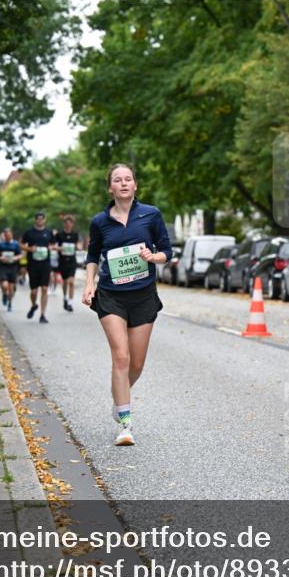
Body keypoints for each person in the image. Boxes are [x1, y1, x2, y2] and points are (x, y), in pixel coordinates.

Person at [82, 163, 171, 446]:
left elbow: (166, 251)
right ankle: (125, 423)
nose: (123, 183)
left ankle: (118, 398)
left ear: (135, 186)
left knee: (136, 362)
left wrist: (153, 257)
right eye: (117, 180)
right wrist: (88, 284)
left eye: (128, 179)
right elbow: (93, 254)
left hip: (143, 295)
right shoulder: (100, 221)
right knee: (121, 358)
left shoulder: (151, 215)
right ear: (110, 187)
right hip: (111, 296)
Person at [21, 212, 55, 323]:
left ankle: (42, 315)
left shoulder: (49, 232)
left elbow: (53, 244)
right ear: (35, 220)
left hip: (45, 264)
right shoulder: (29, 232)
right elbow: (21, 244)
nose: (40, 220)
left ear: (44, 220)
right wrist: (30, 249)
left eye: (42, 218)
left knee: (44, 289)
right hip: (33, 264)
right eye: (38, 219)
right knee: (34, 291)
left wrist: (51, 247)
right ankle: (33, 305)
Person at [55, 214, 81, 312]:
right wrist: (60, 248)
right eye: (67, 223)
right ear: (64, 224)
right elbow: (54, 246)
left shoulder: (75, 234)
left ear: (72, 225)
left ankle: (70, 303)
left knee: (71, 282)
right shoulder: (59, 235)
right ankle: (65, 297)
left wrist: (78, 246)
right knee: (65, 282)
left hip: (72, 261)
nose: (68, 225)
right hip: (62, 261)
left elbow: (78, 244)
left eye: (70, 223)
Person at [0, 228, 22, 311]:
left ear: (11, 235)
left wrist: (15, 258)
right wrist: (0, 257)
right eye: (6, 235)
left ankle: (10, 303)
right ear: (4, 235)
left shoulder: (16, 244)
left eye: (9, 234)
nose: (7, 236)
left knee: (11, 288)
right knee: (4, 285)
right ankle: (4, 294)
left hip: (13, 267)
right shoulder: (0, 244)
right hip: (3, 267)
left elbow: (21, 255)